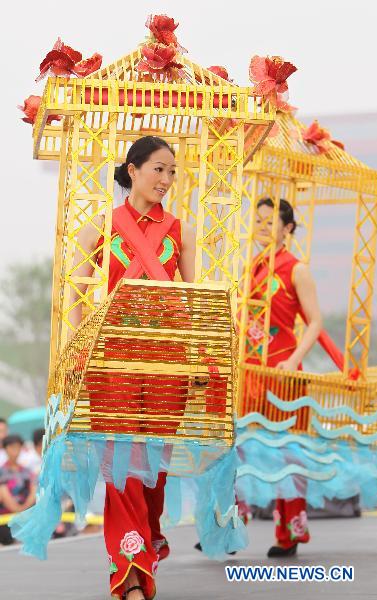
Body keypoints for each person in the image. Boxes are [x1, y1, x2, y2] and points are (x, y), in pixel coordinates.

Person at [69, 136, 196, 600]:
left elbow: (191, 298)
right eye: (158, 169)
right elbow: (77, 296)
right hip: (114, 360)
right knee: (122, 462)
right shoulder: (99, 227)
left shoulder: (182, 229)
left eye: (172, 173)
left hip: (167, 363)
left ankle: (148, 533)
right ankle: (131, 570)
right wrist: (78, 349)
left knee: (153, 468)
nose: (165, 180)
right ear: (133, 169)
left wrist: (199, 356)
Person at [245, 197, 323, 557]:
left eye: (270, 221)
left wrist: (293, 360)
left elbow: (315, 323)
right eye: (257, 221)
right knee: (241, 448)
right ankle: (231, 526)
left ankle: (288, 534)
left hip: (283, 371)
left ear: (288, 228)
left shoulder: (296, 269)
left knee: (285, 455)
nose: (262, 227)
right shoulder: (251, 266)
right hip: (250, 371)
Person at [0, 434, 36, 545]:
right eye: (11, 447)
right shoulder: (2, 472)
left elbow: (33, 491)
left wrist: (24, 510)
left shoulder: (27, 471)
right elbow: (4, 495)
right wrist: (18, 510)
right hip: (6, 519)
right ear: (5, 449)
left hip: (26, 516)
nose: (15, 450)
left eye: (17, 447)